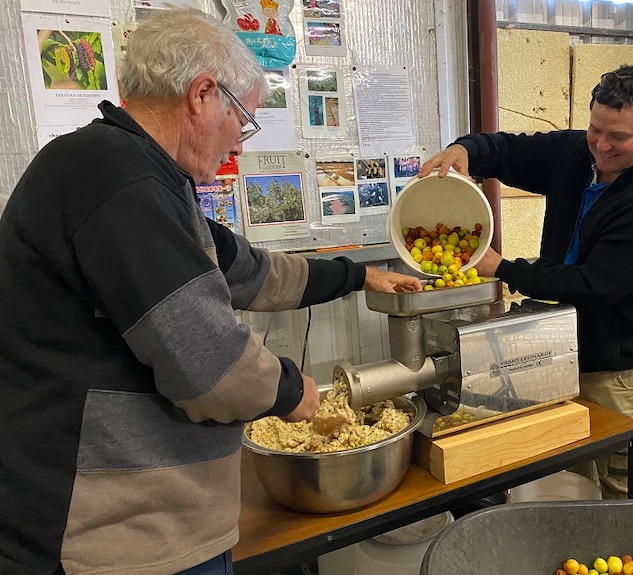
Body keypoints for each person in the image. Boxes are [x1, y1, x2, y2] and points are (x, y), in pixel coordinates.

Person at [0, 8, 419, 575]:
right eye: (243, 119)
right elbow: (209, 368)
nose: (241, 146)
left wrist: (358, 275)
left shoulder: (145, 179)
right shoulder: (115, 180)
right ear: (202, 94)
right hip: (108, 539)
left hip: (146, 523)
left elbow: (248, 271)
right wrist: (295, 394)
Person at [418, 64, 633, 497]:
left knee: (619, 487)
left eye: (618, 137)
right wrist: (466, 150)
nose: (601, 145)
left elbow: (590, 286)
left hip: (614, 371)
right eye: (595, 129)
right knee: (566, 477)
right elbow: (508, 150)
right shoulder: (576, 155)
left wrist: (503, 269)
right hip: (555, 350)